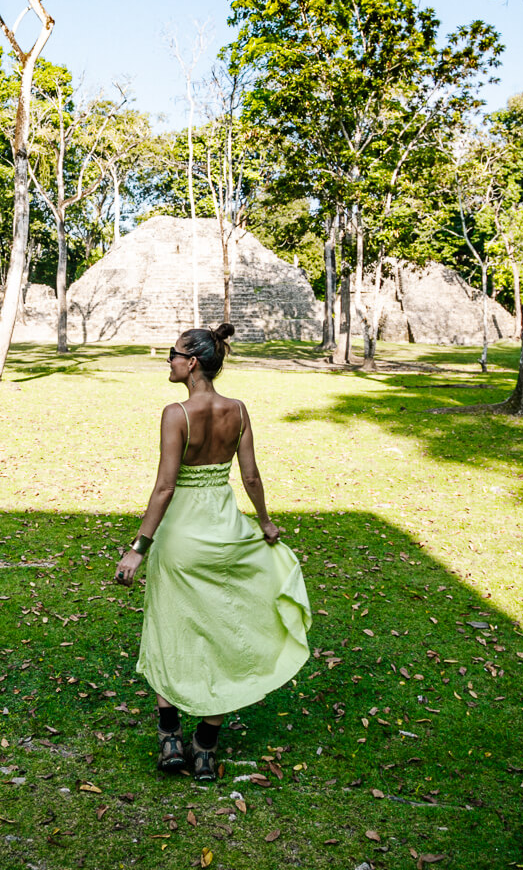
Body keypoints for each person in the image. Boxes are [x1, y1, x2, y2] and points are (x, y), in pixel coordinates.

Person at [115, 323, 311, 781]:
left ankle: (169, 739)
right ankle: (205, 743)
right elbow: (252, 477)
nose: (168, 362)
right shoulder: (238, 410)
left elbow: (165, 486)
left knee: (170, 629)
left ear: (193, 362)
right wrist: (264, 523)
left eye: (173, 354)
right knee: (224, 631)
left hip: (182, 535)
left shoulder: (175, 413)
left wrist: (138, 549)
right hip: (225, 531)